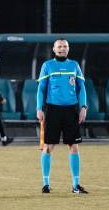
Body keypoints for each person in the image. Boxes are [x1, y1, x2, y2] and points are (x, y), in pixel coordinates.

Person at [36, 39, 88, 194]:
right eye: (59, 46)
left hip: (71, 110)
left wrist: (83, 107)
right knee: (48, 147)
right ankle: (46, 184)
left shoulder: (74, 65)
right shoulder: (47, 65)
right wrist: (39, 108)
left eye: (65, 46)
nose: (62, 48)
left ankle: (76, 185)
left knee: (74, 147)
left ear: (68, 49)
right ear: (54, 49)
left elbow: (81, 88)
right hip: (52, 110)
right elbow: (41, 89)